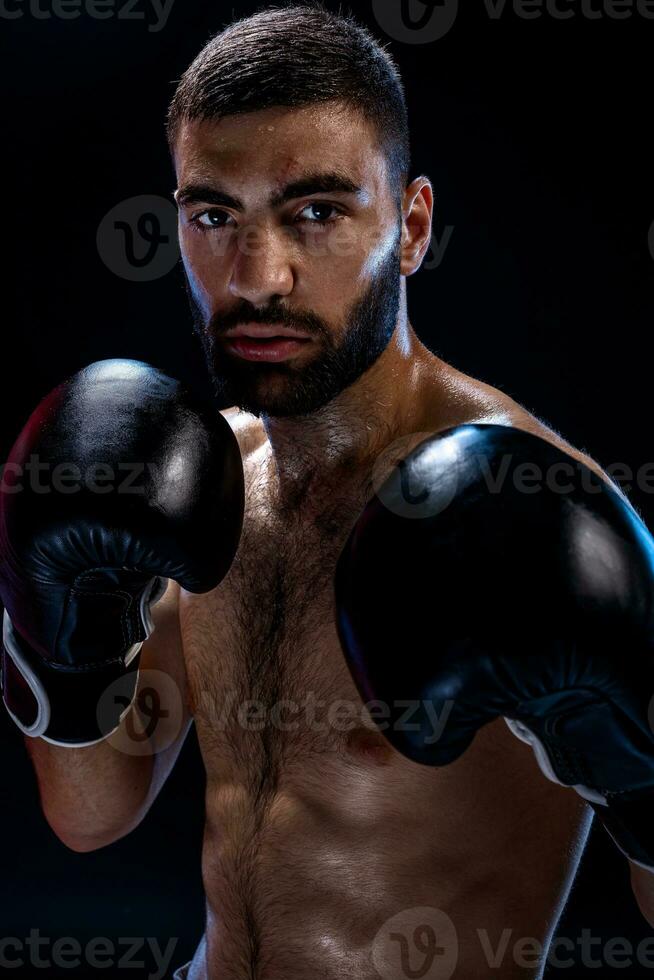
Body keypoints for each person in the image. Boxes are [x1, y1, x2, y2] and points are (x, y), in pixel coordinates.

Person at [3, 6, 654, 979]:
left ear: (412, 226)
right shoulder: (201, 479)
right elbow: (91, 812)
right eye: (214, 214)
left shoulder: (531, 508)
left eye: (316, 211)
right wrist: (50, 631)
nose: (258, 276)